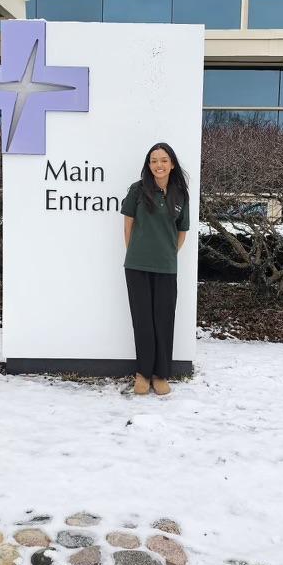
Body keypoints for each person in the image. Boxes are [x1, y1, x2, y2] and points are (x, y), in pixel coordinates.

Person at [121, 142, 189, 396]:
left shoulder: (181, 195)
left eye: (163, 160)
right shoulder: (137, 190)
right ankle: (143, 373)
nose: (158, 165)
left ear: (172, 164)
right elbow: (128, 226)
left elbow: (182, 232)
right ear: (148, 165)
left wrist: (168, 254)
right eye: (153, 160)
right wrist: (136, 253)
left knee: (163, 320)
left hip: (166, 267)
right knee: (143, 321)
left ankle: (161, 374)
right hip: (137, 265)